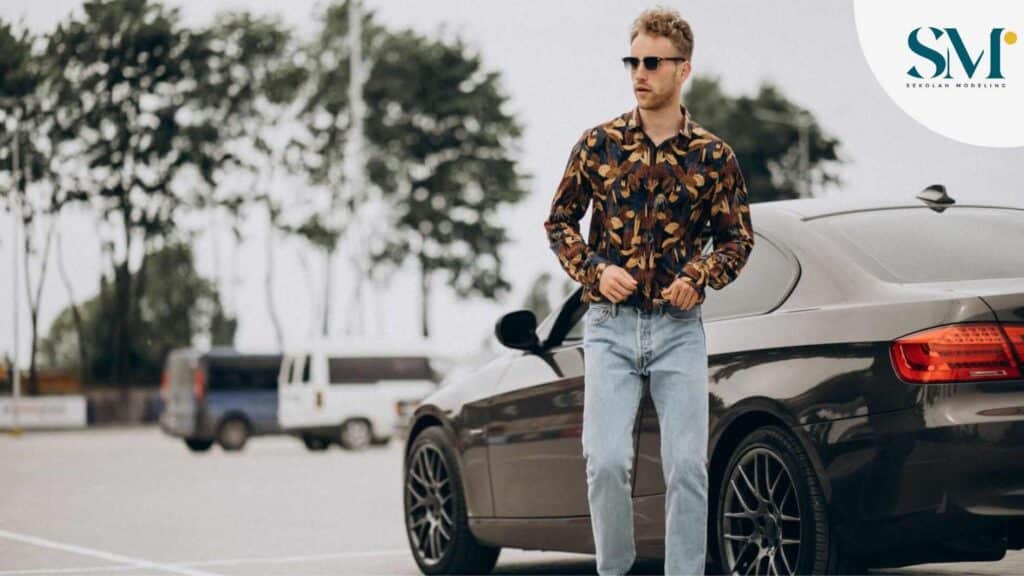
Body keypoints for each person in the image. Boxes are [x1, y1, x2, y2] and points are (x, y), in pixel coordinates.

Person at [543, 7, 755, 575]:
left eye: (652, 62)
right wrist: (593, 271)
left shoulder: (714, 157)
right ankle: (615, 570)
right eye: (633, 60)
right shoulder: (598, 144)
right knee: (605, 461)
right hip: (609, 328)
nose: (640, 71)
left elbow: (737, 240)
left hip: (678, 332)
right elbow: (559, 222)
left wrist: (699, 277)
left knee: (687, 466)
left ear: (682, 69)